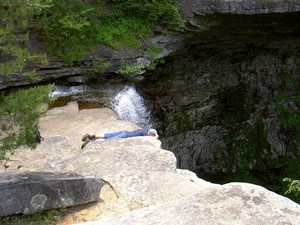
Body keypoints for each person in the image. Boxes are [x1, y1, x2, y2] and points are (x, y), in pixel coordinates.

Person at [81, 129, 159, 149]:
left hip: (124, 132)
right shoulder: (145, 134)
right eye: (153, 135)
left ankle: (91, 136)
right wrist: (155, 137)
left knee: (107, 135)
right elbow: (150, 139)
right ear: (151, 133)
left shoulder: (144, 130)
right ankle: (91, 142)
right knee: (109, 139)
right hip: (124, 136)